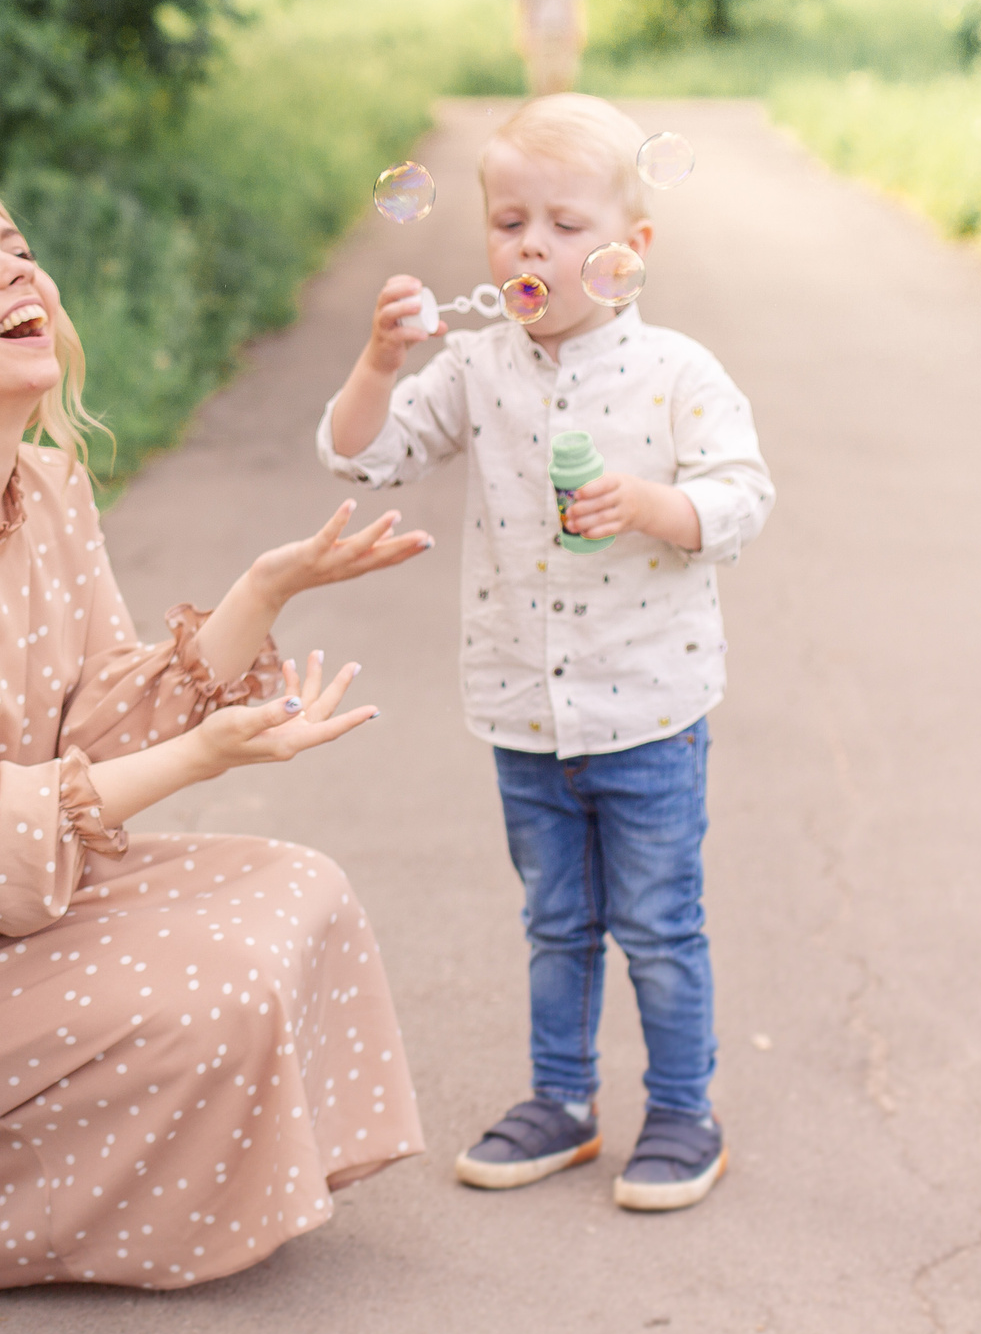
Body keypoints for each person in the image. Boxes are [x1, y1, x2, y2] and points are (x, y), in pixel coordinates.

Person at [0, 164, 430, 1291]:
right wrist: (203, 753)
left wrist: (258, 594)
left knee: (299, 887)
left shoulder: (49, 484)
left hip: (1, 918)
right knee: (219, 992)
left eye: (15, 246)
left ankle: (184, 1169)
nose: (16, 267)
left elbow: (101, 714)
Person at [318, 94, 773, 1211]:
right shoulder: (476, 367)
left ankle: (681, 1110)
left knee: (659, 927)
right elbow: (364, 459)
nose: (533, 246)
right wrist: (378, 363)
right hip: (524, 708)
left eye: (566, 226)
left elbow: (742, 496)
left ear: (632, 248)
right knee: (556, 921)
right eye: (510, 221)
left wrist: (654, 504)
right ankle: (560, 1102)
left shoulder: (676, 372)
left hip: (652, 708)